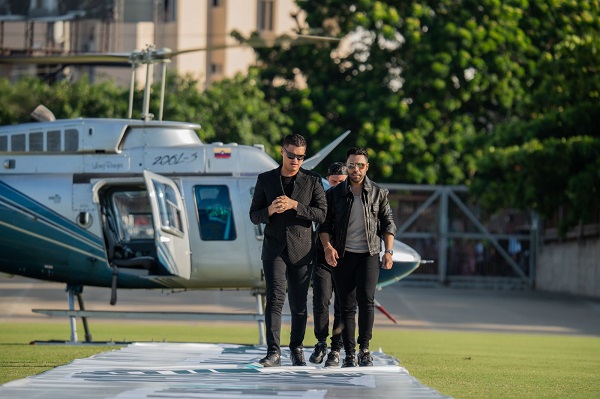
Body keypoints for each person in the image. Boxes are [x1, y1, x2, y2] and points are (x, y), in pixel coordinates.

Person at [249, 133, 327, 367]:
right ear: (282, 151)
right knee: (274, 299)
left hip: (303, 249)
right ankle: (273, 351)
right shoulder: (266, 179)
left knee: (299, 303)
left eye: (300, 157)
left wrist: (296, 206)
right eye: (291, 155)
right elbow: (254, 215)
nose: (295, 160)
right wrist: (270, 210)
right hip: (274, 249)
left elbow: (322, 214)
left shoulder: (313, 180)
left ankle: (296, 348)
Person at [319, 147, 396, 367]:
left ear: (367, 167)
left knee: (367, 301)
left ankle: (364, 349)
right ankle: (349, 353)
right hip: (343, 254)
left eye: (360, 165)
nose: (356, 169)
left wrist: (388, 252)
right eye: (352, 165)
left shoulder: (378, 193)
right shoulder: (333, 194)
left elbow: (388, 223)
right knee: (346, 305)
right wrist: (327, 247)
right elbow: (324, 225)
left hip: (369, 254)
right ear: (347, 165)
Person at [309, 162, 347, 367]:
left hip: (346, 259)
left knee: (343, 305)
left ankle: (336, 348)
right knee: (321, 301)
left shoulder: (352, 199)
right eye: (333, 182)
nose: (337, 186)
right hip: (322, 257)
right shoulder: (320, 199)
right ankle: (321, 342)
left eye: (341, 182)